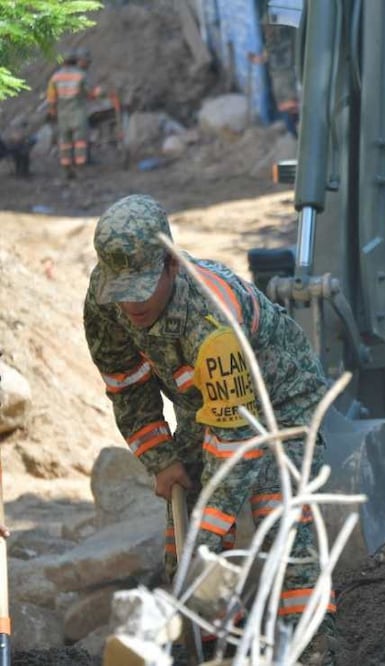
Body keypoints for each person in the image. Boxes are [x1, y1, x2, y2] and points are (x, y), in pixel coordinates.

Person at [82, 194, 337, 665]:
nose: (131, 303)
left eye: (142, 286)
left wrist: (209, 534)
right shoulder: (107, 300)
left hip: (280, 400)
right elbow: (126, 383)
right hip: (206, 408)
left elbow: (237, 440)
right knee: (185, 549)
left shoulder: (211, 316)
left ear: (173, 266)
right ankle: (217, 647)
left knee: (279, 516)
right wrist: (161, 458)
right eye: (121, 288)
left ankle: (314, 647)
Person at [46, 50, 96, 178]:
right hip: (78, 112)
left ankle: (66, 168)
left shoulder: (55, 77)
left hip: (63, 114)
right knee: (80, 141)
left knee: (65, 142)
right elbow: (89, 93)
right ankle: (80, 169)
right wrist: (97, 93)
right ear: (75, 61)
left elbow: (51, 98)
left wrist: (52, 112)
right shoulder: (80, 75)